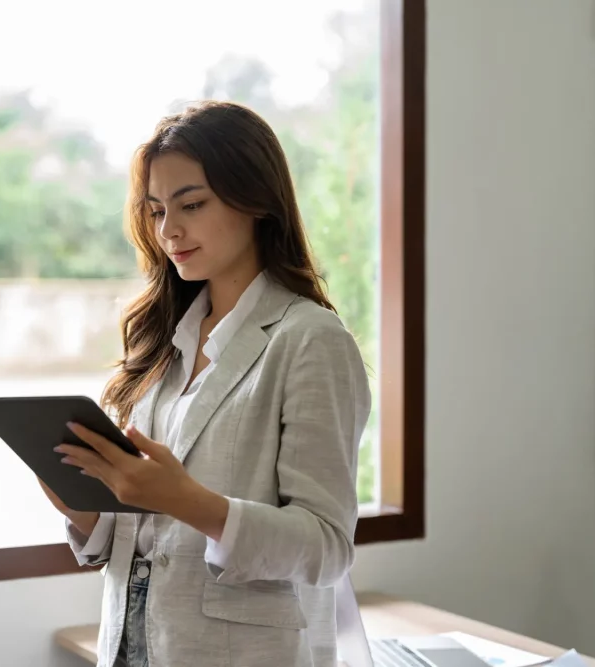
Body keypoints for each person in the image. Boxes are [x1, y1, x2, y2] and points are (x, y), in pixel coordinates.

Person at [39, 100, 371, 667]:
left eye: (191, 204)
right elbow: (147, 538)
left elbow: (326, 546)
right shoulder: (164, 341)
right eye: (156, 211)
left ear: (256, 201)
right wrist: (85, 509)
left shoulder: (310, 341)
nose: (170, 230)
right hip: (132, 642)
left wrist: (190, 502)